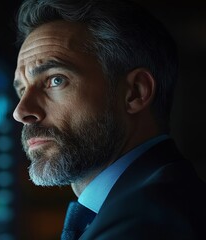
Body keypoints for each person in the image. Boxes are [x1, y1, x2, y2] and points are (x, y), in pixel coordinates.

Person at [12, 0, 206, 239]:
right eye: (22, 90)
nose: (21, 111)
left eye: (55, 80)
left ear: (135, 92)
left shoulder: (147, 224)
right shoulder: (159, 196)